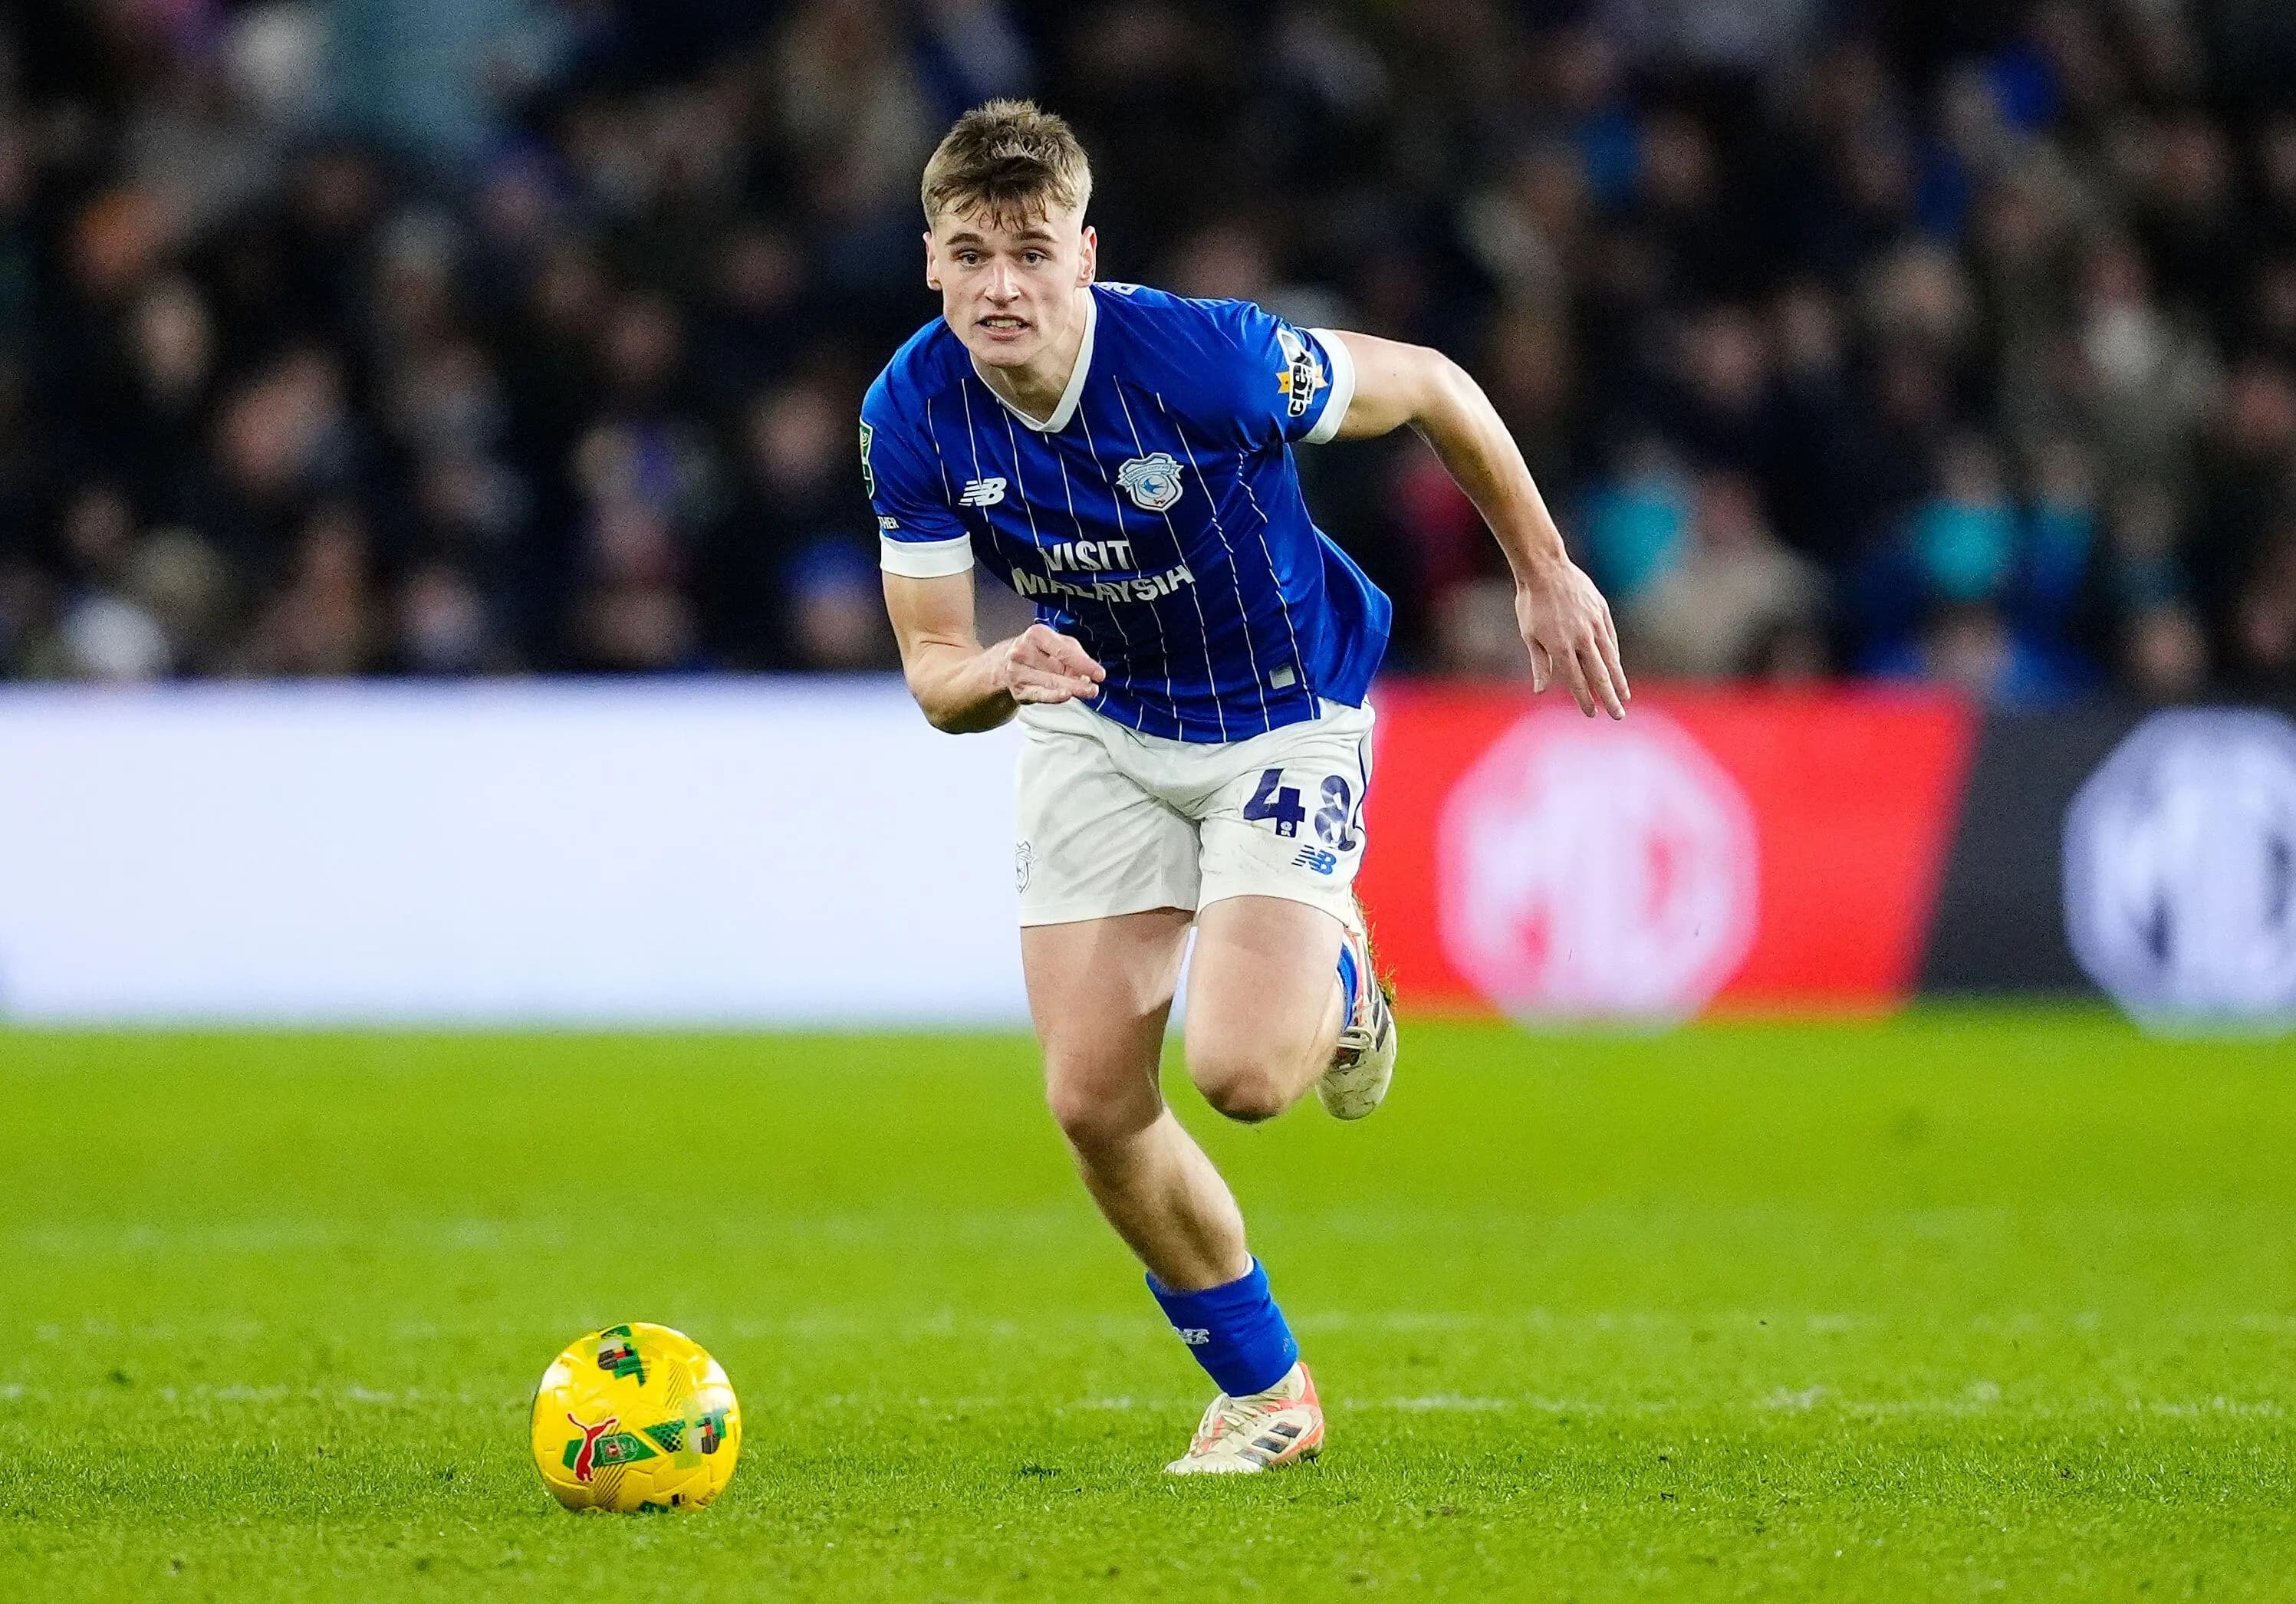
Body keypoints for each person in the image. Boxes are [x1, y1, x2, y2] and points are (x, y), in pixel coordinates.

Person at [862, 101, 1627, 1474]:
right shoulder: (909, 410)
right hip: (1091, 718)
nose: (999, 285)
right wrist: (1001, 670)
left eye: (1030, 252)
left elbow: (1435, 385)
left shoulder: (1205, 361)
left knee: (1242, 1076)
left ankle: (1343, 986)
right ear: (930, 261)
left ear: (1084, 255)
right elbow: (931, 671)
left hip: (1281, 717)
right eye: (969, 253)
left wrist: (1541, 568)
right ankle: (1266, 1395)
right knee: (1092, 1102)